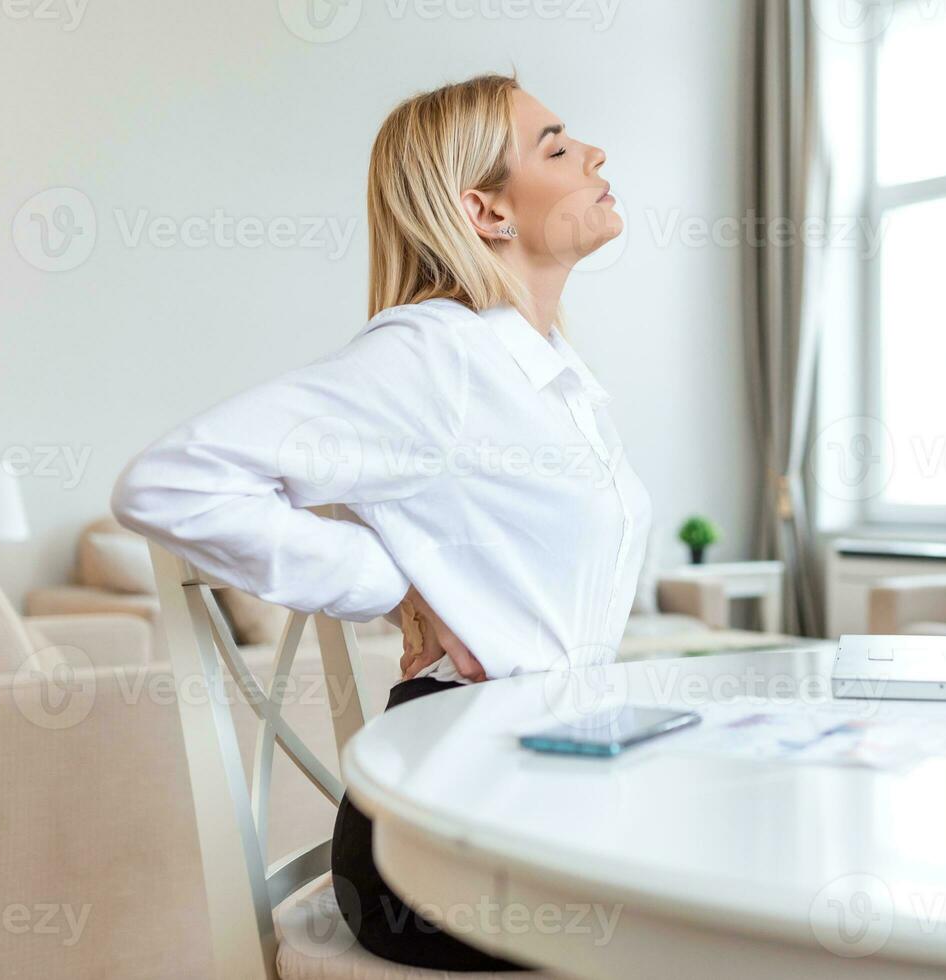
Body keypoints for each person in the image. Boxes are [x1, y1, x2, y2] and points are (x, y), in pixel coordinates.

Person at [110, 71, 650, 970]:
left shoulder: (549, 377)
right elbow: (169, 483)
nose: (596, 153)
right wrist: (388, 579)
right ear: (487, 213)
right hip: (443, 837)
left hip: (541, 787)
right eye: (556, 146)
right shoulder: (437, 355)